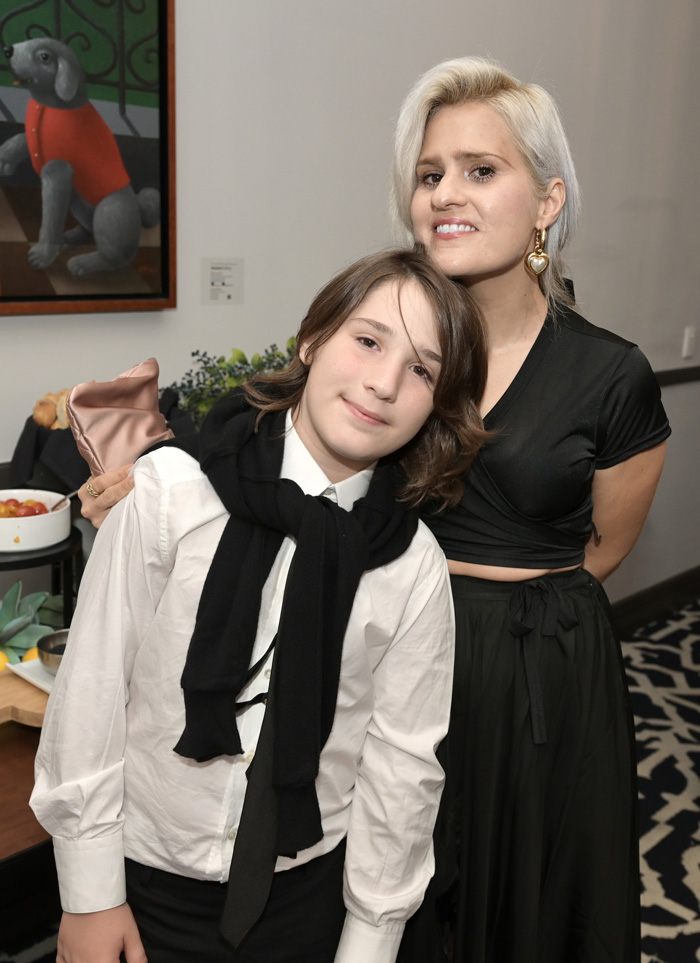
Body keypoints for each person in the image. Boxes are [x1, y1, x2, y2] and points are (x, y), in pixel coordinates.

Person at [76, 56, 672, 963]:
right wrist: (160, 478)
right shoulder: (388, 348)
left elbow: (607, 547)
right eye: (430, 174)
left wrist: (504, 631)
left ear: (547, 201)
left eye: (481, 170)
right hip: (365, 632)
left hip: (524, 671)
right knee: (381, 877)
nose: (445, 193)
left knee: (515, 903)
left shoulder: (610, 371)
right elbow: (274, 449)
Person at [31, 249, 489, 963]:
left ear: (438, 401)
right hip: (144, 882)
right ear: (312, 339)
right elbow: (91, 690)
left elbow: (402, 766)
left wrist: (370, 939)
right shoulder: (170, 493)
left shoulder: (413, 562)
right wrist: (90, 895)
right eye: (368, 340)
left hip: (311, 900)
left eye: (422, 369)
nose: (384, 382)